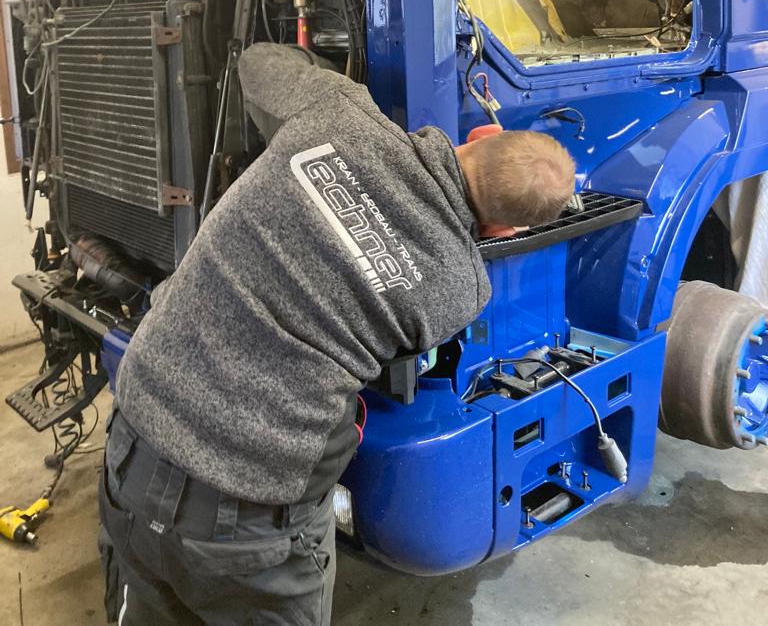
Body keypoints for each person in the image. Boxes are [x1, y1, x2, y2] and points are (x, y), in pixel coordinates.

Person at [99, 43, 575, 626]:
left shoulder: (337, 109)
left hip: (134, 440)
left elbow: (256, 63)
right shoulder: (460, 290)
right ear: (504, 229)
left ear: (478, 137)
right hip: (249, 514)